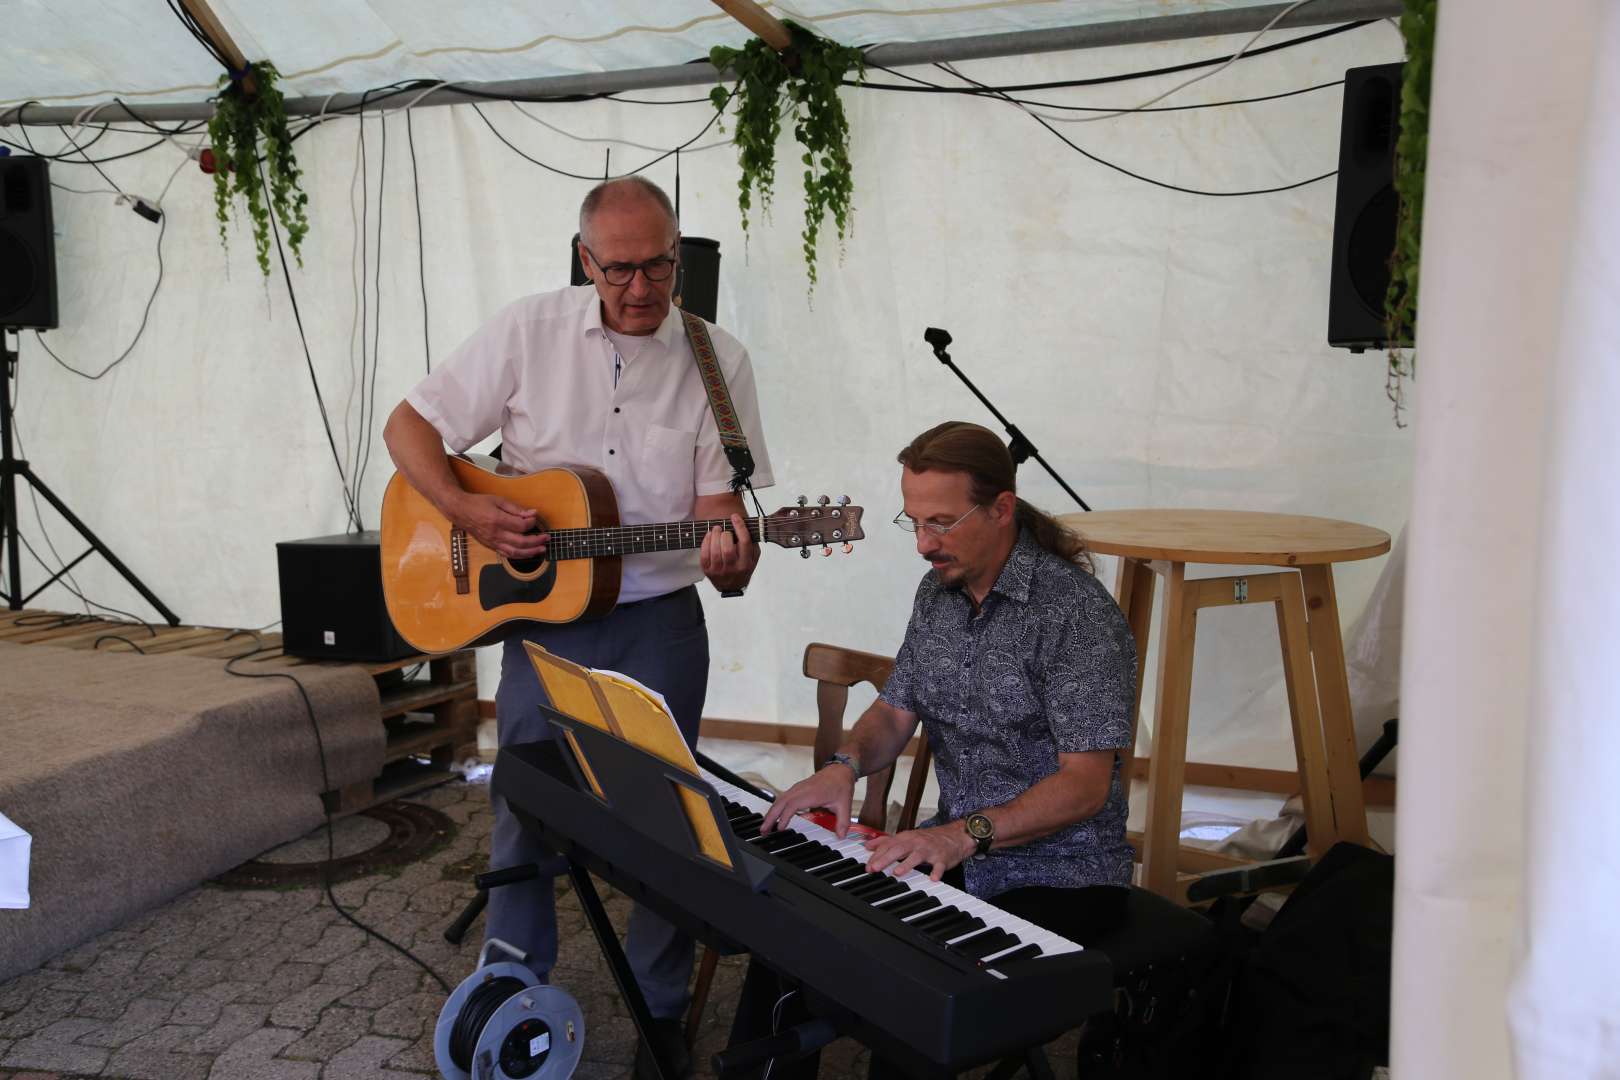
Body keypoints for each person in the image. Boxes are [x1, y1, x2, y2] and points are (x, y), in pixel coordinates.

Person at [382, 176, 772, 1078]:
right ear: (586, 259)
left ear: (681, 255)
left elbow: (721, 516)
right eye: (622, 269)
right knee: (525, 801)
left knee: (668, 821)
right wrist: (470, 514)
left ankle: (659, 1010)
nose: (642, 289)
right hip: (545, 623)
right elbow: (410, 428)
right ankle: (511, 989)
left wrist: (735, 556)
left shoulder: (720, 361)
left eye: (661, 266)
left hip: (658, 621)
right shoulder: (529, 331)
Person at [762, 419, 1136, 940]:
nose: (922, 544)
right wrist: (844, 766)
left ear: (1001, 509)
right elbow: (895, 710)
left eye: (941, 522)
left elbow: (1085, 785)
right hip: (956, 858)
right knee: (798, 919)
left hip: (1065, 876)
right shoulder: (937, 593)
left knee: (910, 979)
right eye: (913, 522)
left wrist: (963, 836)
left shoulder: (1074, 613)